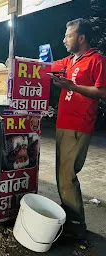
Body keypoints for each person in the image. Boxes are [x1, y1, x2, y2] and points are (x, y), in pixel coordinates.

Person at [51, 18, 106, 241]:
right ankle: (70, 219)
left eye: (69, 35)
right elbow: (47, 67)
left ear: (81, 38)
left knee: (66, 176)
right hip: (63, 123)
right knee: (62, 174)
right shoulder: (70, 60)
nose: (64, 40)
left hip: (79, 124)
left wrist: (72, 87)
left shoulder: (97, 60)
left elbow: (102, 93)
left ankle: (76, 228)